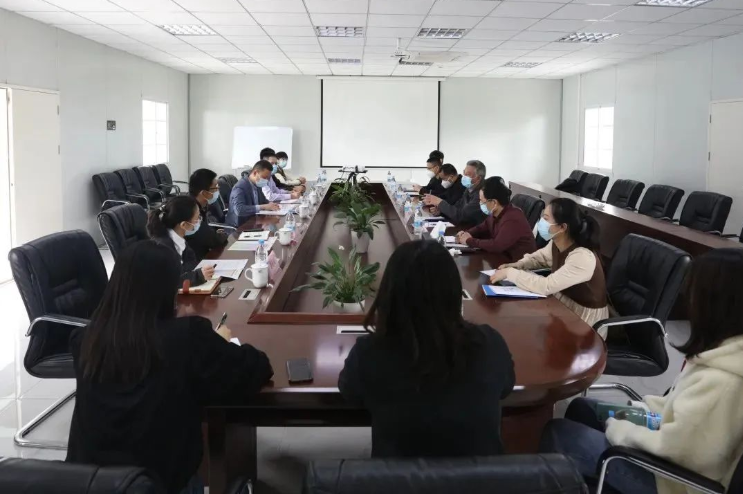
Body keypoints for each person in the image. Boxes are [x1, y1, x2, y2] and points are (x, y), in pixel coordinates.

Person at [66, 240, 273, 494]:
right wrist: (219, 344)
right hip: (159, 484)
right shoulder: (187, 337)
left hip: (88, 483)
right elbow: (256, 368)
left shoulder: (84, 340)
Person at [540, 248, 743, 494]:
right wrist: (638, 412)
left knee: (559, 432)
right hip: (665, 434)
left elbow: (678, 450)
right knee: (582, 408)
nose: (689, 301)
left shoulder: (724, 382)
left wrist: (621, 429)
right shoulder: (724, 349)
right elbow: (674, 410)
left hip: (670, 481)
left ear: (716, 304)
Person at [339, 240, 515, 457]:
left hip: (397, 476)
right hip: (481, 476)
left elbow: (351, 394)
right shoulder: (490, 343)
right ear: (454, 290)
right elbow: (506, 387)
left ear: (389, 292)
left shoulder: (368, 351)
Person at [488, 198, 609, 331]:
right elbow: (539, 259)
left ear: (562, 227)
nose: (541, 222)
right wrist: (517, 265)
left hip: (584, 318)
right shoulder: (557, 243)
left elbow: (546, 286)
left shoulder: (582, 257)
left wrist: (510, 273)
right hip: (562, 302)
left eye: (546, 218)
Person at [456, 177, 536, 260]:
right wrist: (466, 234)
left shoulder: (513, 218)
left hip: (520, 263)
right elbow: (481, 228)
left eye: (482, 201)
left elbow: (497, 245)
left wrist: (469, 241)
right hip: (503, 257)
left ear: (494, 202)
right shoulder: (496, 213)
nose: (480, 203)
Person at [147, 195, 213, 287]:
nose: (199, 221)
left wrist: (190, 273)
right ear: (184, 225)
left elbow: (191, 262)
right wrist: (198, 276)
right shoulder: (162, 247)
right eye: (197, 218)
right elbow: (167, 281)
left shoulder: (178, 238)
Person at [423, 160, 488, 227]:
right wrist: (440, 211)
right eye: (464, 173)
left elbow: (462, 216)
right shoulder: (469, 189)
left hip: (474, 230)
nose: (464, 176)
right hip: (464, 227)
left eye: (468, 174)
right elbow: (456, 207)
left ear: (478, 178)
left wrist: (440, 202)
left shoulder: (482, 194)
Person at [186, 168, 229, 260]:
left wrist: (214, 233)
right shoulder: (190, 211)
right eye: (215, 188)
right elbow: (214, 240)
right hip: (195, 260)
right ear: (204, 193)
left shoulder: (195, 204)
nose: (218, 190)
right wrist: (222, 234)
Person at [226, 160, 280, 227]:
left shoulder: (257, 184)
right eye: (265, 177)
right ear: (255, 173)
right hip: (240, 226)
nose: (267, 181)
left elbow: (263, 201)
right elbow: (239, 210)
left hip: (255, 222)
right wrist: (264, 206)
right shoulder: (240, 187)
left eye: (268, 178)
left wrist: (270, 204)